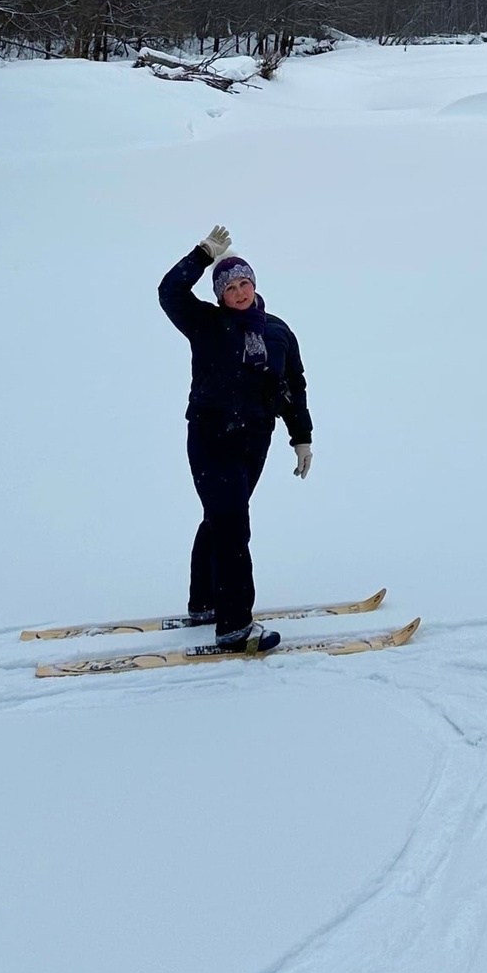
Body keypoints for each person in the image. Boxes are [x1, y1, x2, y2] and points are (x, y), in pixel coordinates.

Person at [157, 224, 313, 655]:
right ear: (220, 294)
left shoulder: (278, 331)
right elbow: (169, 292)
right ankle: (234, 626)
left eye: (246, 283)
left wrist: (301, 437)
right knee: (231, 524)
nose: (240, 292)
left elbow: (292, 386)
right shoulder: (205, 323)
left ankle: (206, 603)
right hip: (210, 435)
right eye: (231, 287)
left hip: (254, 440)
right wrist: (203, 254)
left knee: (222, 518)